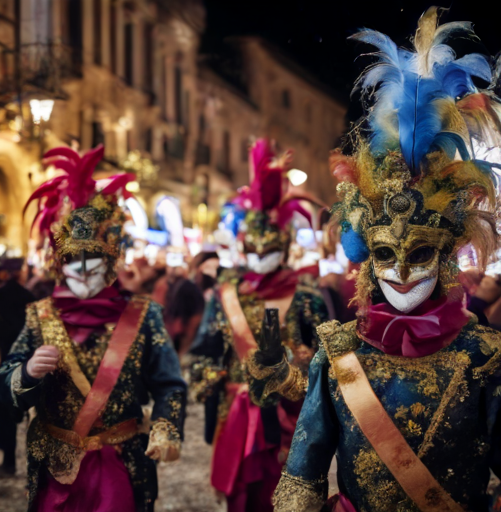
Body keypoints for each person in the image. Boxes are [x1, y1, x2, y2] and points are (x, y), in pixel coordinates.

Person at [250, 9, 501, 511]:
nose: (403, 271)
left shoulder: (484, 356)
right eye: (386, 252)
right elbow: (303, 470)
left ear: (447, 253)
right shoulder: (337, 350)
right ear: (366, 257)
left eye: (421, 251)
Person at [0, 145, 186, 512]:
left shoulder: (143, 315)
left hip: (120, 463)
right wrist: (27, 372)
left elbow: (169, 384)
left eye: (94, 262)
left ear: (111, 261)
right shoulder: (39, 315)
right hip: (55, 467)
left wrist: (165, 426)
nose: (83, 272)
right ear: (59, 264)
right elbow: (4, 381)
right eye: (73, 262)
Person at [191, 139, 329, 512]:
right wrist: (210, 380)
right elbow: (203, 350)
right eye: (253, 251)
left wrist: (300, 369)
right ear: (242, 248)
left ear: (283, 247)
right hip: (236, 414)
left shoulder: (306, 297)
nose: (260, 259)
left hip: (290, 415)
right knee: (241, 498)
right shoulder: (226, 294)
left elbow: (328, 362)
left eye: (269, 252)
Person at [0, 257, 36, 474]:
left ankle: (3, 455)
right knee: (11, 411)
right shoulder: (29, 298)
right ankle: (9, 459)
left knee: (0, 409)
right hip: (21, 360)